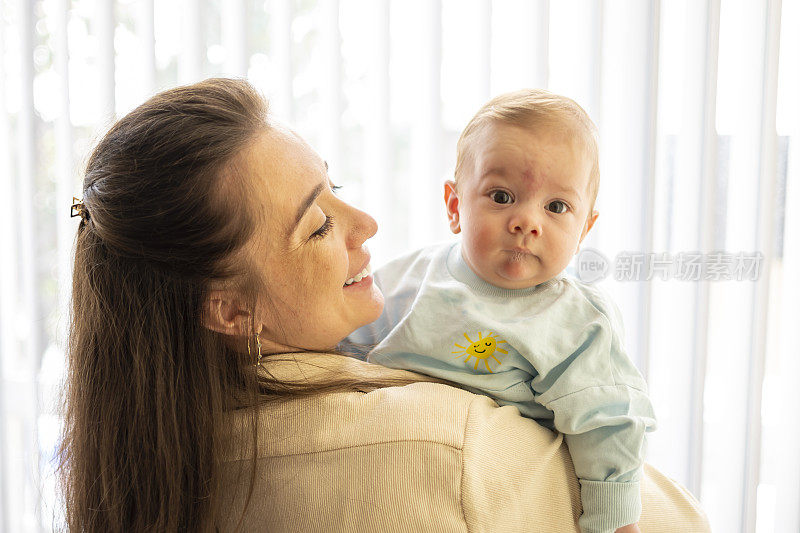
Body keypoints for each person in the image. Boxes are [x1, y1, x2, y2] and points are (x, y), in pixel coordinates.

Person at [60, 78, 710, 532]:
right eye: (316, 223)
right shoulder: (452, 450)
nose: (366, 221)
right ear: (230, 311)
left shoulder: (161, 442)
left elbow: (611, 422)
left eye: (334, 185)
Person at [345, 90, 655, 533]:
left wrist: (612, 525)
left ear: (584, 227)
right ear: (455, 206)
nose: (527, 221)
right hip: (394, 486)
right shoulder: (411, 279)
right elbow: (344, 340)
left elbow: (608, 425)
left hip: (506, 502)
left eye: (556, 206)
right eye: (502, 196)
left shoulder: (577, 321)